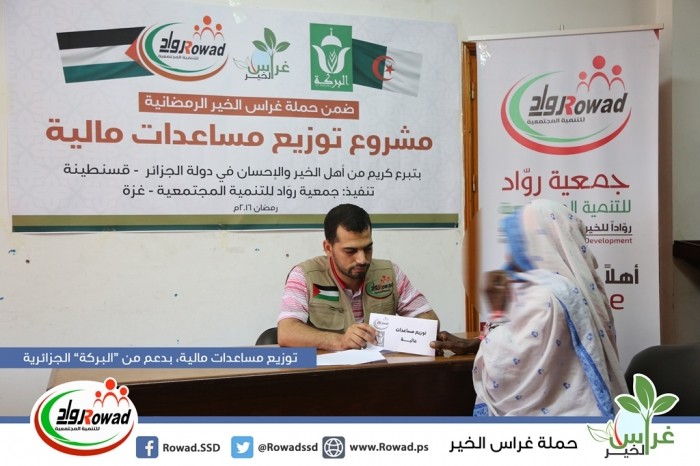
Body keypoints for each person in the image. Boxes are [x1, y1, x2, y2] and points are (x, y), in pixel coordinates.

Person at [431, 199, 628, 417]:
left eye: (520, 237)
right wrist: (476, 344)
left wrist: (490, 335)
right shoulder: (587, 288)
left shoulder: (543, 294)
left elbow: (510, 364)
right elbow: (549, 347)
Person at [277, 203, 439, 351]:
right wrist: (339, 341)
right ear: (328, 248)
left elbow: (429, 320)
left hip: (378, 370)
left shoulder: (389, 273)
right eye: (350, 251)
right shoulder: (304, 276)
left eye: (367, 249)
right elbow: (286, 332)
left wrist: (425, 334)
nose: (362, 259)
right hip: (325, 371)